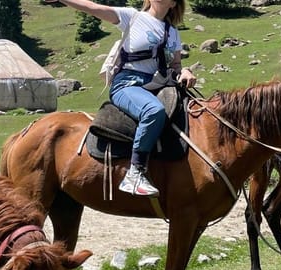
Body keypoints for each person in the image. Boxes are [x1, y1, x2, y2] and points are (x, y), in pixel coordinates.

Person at [47, 0, 197, 197]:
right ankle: (134, 174)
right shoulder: (131, 17)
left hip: (158, 86)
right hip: (127, 84)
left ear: (173, 3)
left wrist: (184, 71)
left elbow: (175, 65)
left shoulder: (173, 32)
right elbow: (94, 8)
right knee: (153, 111)